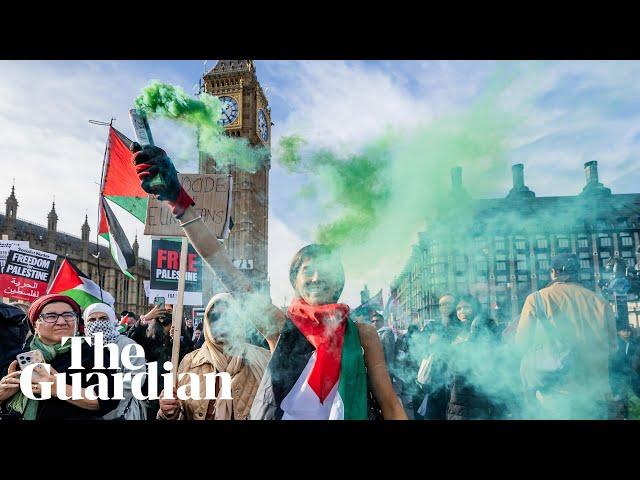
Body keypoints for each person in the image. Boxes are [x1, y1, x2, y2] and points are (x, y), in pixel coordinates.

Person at [133, 143, 407, 420]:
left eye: (326, 269)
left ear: (339, 281)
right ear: (295, 282)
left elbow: (390, 404)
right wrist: (178, 202)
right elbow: (219, 260)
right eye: (307, 270)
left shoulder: (362, 335)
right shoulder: (281, 326)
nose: (316, 276)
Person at [516, 253, 618, 420]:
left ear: (553, 272)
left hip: (555, 392)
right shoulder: (601, 302)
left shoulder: (536, 299)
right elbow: (613, 348)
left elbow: (521, 344)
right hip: (595, 392)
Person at [0, 294, 120, 420]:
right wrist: (2, 395)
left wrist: (58, 387)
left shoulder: (95, 353)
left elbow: (109, 399)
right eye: (51, 316)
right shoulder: (15, 358)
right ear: (35, 324)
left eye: (68, 315)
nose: (61, 322)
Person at [157, 293, 270, 420]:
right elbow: (180, 414)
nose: (220, 323)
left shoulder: (261, 360)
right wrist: (168, 411)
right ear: (206, 321)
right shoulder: (190, 362)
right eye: (214, 316)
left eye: (228, 316)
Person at [83, 303, 147, 420]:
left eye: (103, 319)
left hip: (121, 413)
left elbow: (135, 380)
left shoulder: (128, 345)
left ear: (113, 321)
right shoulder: (81, 346)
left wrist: (103, 397)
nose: (97, 323)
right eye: (92, 319)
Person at [446, 295, 503, 420]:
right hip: (459, 398)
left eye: (466, 307)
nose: (462, 312)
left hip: (478, 398)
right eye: (458, 309)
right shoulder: (457, 333)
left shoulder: (484, 327)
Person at [609, 326, 640, 419]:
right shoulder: (614, 345)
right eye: (624, 331)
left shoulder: (635, 344)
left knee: (635, 398)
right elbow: (612, 366)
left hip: (634, 376)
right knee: (624, 400)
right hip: (621, 377)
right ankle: (626, 417)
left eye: (628, 331)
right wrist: (615, 392)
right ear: (618, 332)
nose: (626, 333)